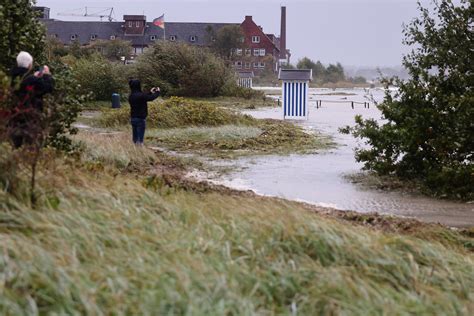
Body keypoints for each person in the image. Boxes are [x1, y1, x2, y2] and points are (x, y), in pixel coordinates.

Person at [8, 51, 55, 148]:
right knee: (30, 146)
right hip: (30, 117)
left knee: (14, 144)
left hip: (13, 115)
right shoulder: (32, 80)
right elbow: (48, 88)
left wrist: (35, 77)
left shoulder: (10, 76)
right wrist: (46, 75)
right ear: (30, 65)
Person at [128, 79, 160, 145]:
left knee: (135, 139)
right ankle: (140, 151)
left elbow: (143, 96)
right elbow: (150, 98)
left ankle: (135, 150)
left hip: (133, 118)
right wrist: (157, 92)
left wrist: (150, 92)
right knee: (140, 140)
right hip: (140, 119)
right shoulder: (141, 96)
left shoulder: (131, 96)